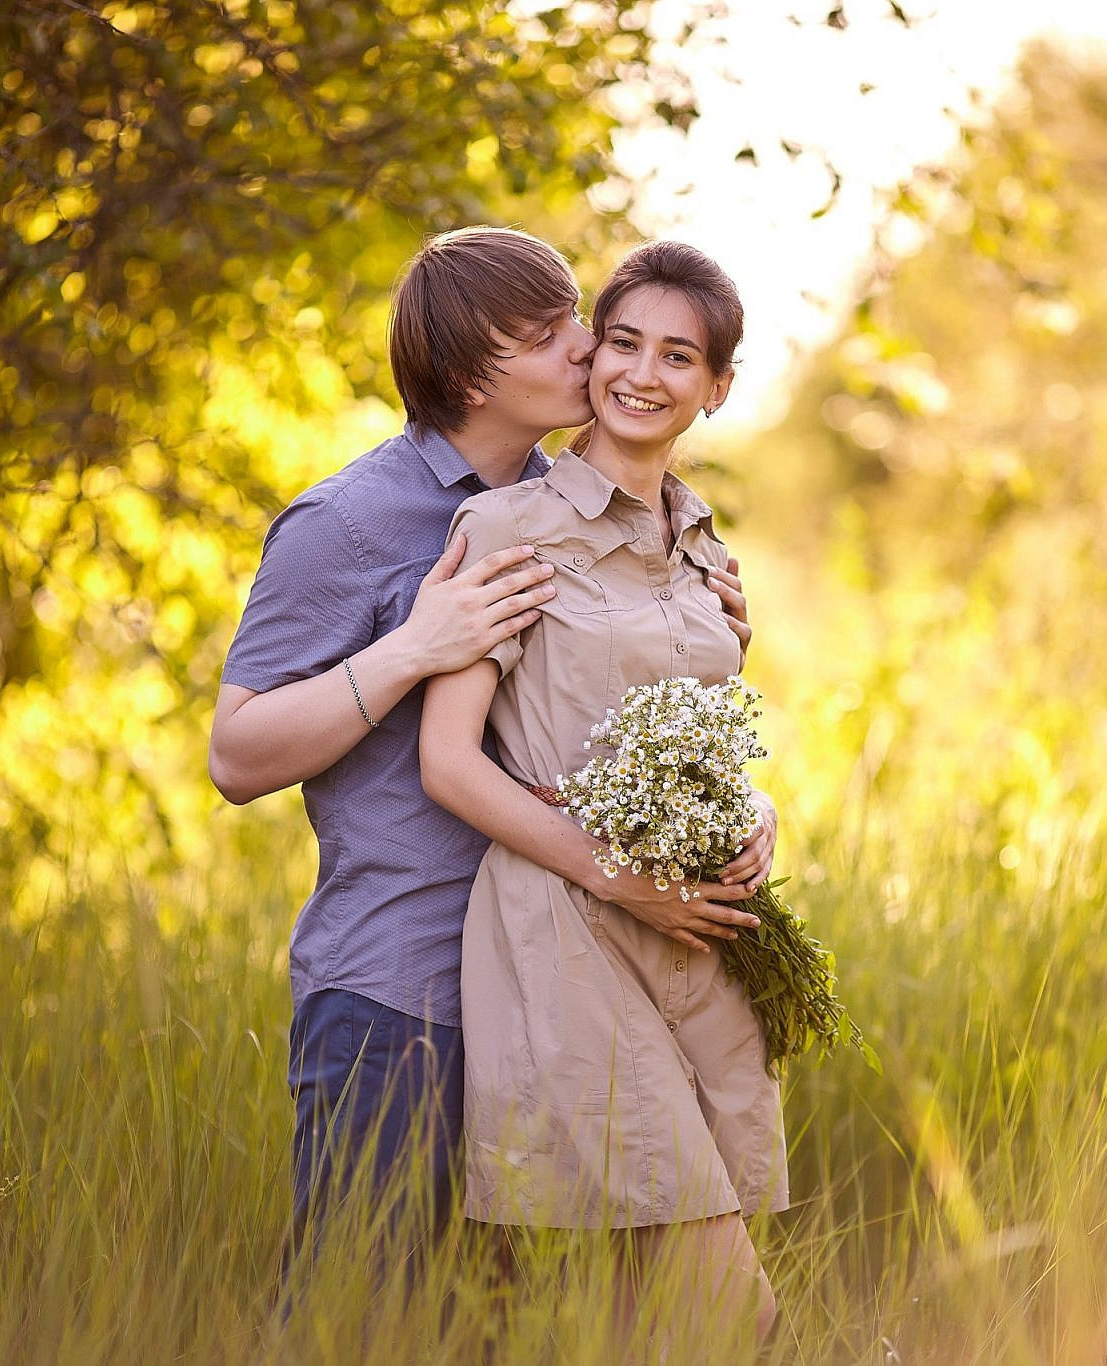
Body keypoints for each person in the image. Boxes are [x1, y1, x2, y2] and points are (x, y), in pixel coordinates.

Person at [206, 227, 773, 1288]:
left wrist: (715, 641)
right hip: (403, 990)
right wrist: (414, 647)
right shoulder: (350, 522)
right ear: (472, 372)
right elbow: (236, 753)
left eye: (576, 319)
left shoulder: (573, 511)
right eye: (552, 331)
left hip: (561, 981)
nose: (586, 348)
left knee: (494, 1326)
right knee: (356, 1317)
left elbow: (619, 712)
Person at [419, 241, 786, 1347]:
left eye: (679, 355)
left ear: (715, 387)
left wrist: (756, 813)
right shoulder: (507, 531)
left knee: (652, 1317)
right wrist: (621, 881)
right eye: (621, 341)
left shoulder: (701, 546)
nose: (641, 372)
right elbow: (447, 761)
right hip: (568, 932)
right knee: (733, 1309)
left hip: (692, 944)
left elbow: (703, 733)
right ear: (589, 359)